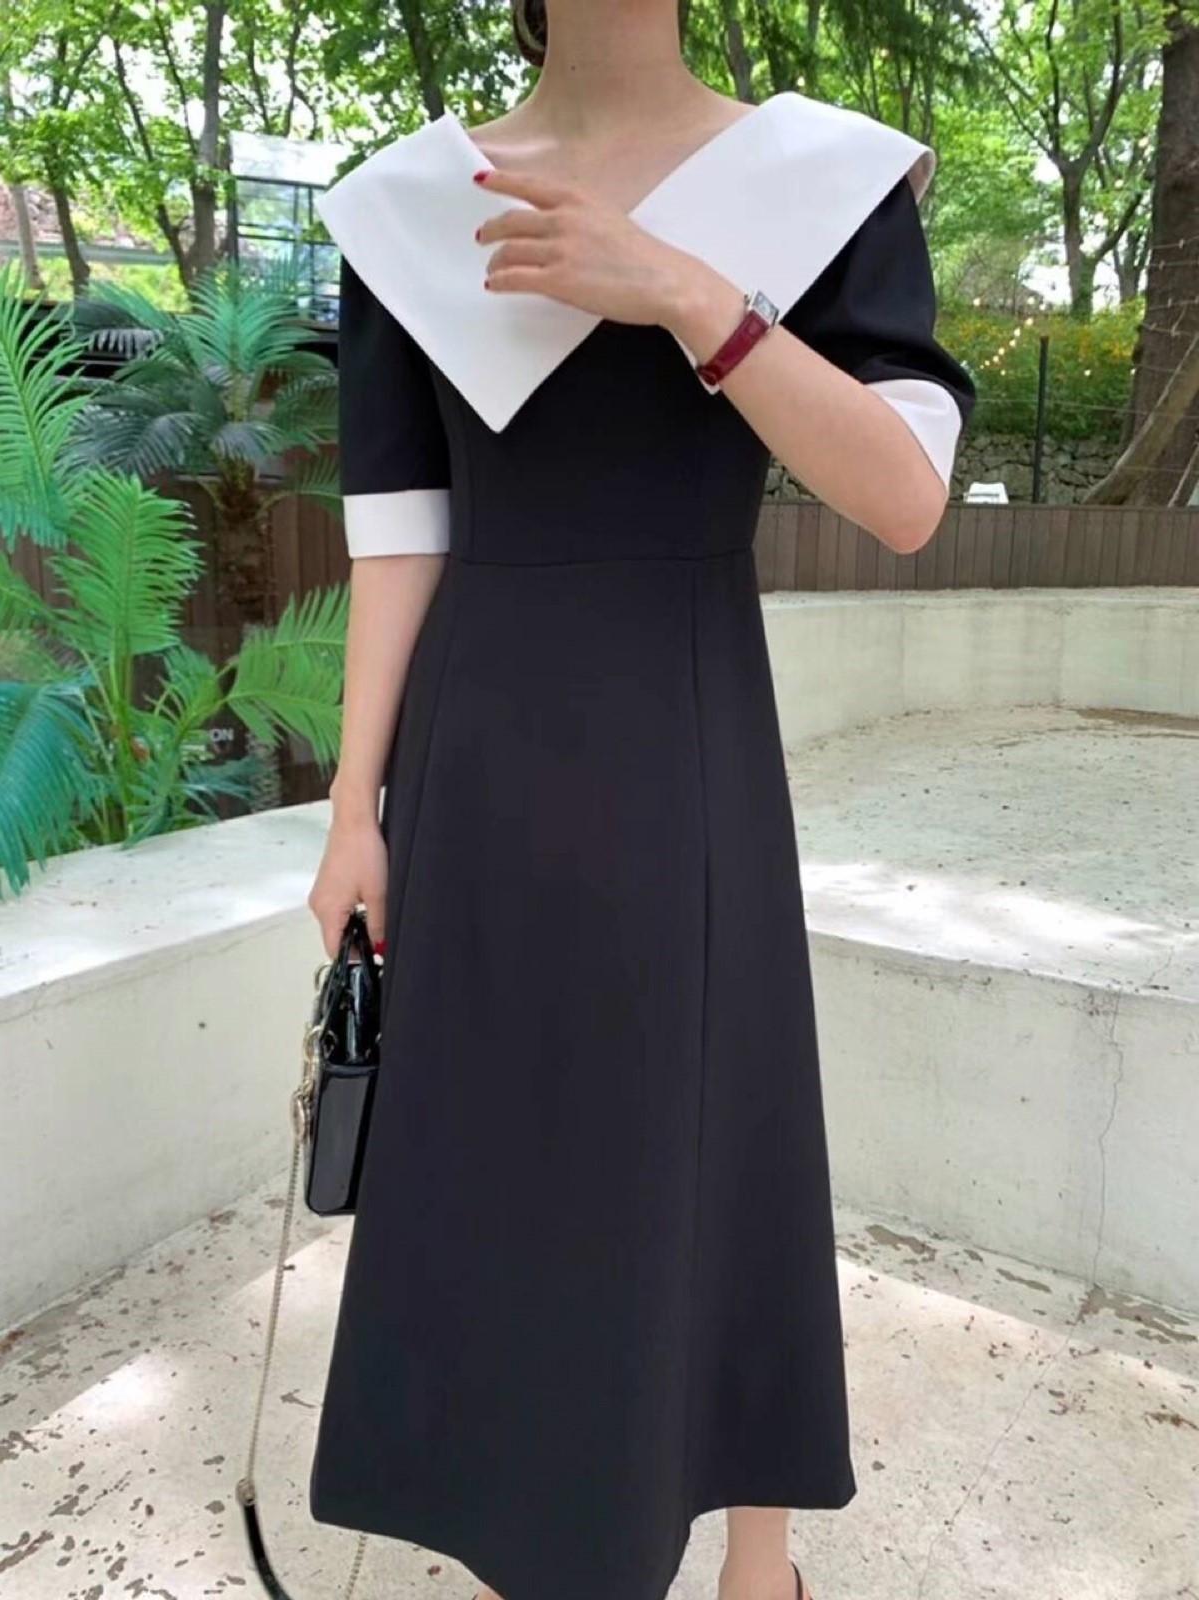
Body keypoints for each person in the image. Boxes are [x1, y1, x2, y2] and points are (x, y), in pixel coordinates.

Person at [305, 3, 976, 1599]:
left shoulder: (822, 177)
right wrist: (351, 810)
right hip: (476, 748)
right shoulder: (408, 204)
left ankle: (760, 1562)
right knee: (503, 1155)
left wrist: (686, 294)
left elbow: (905, 499)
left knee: (720, 1126)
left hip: (684, 731)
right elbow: (400, 539)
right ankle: (535, 1544)